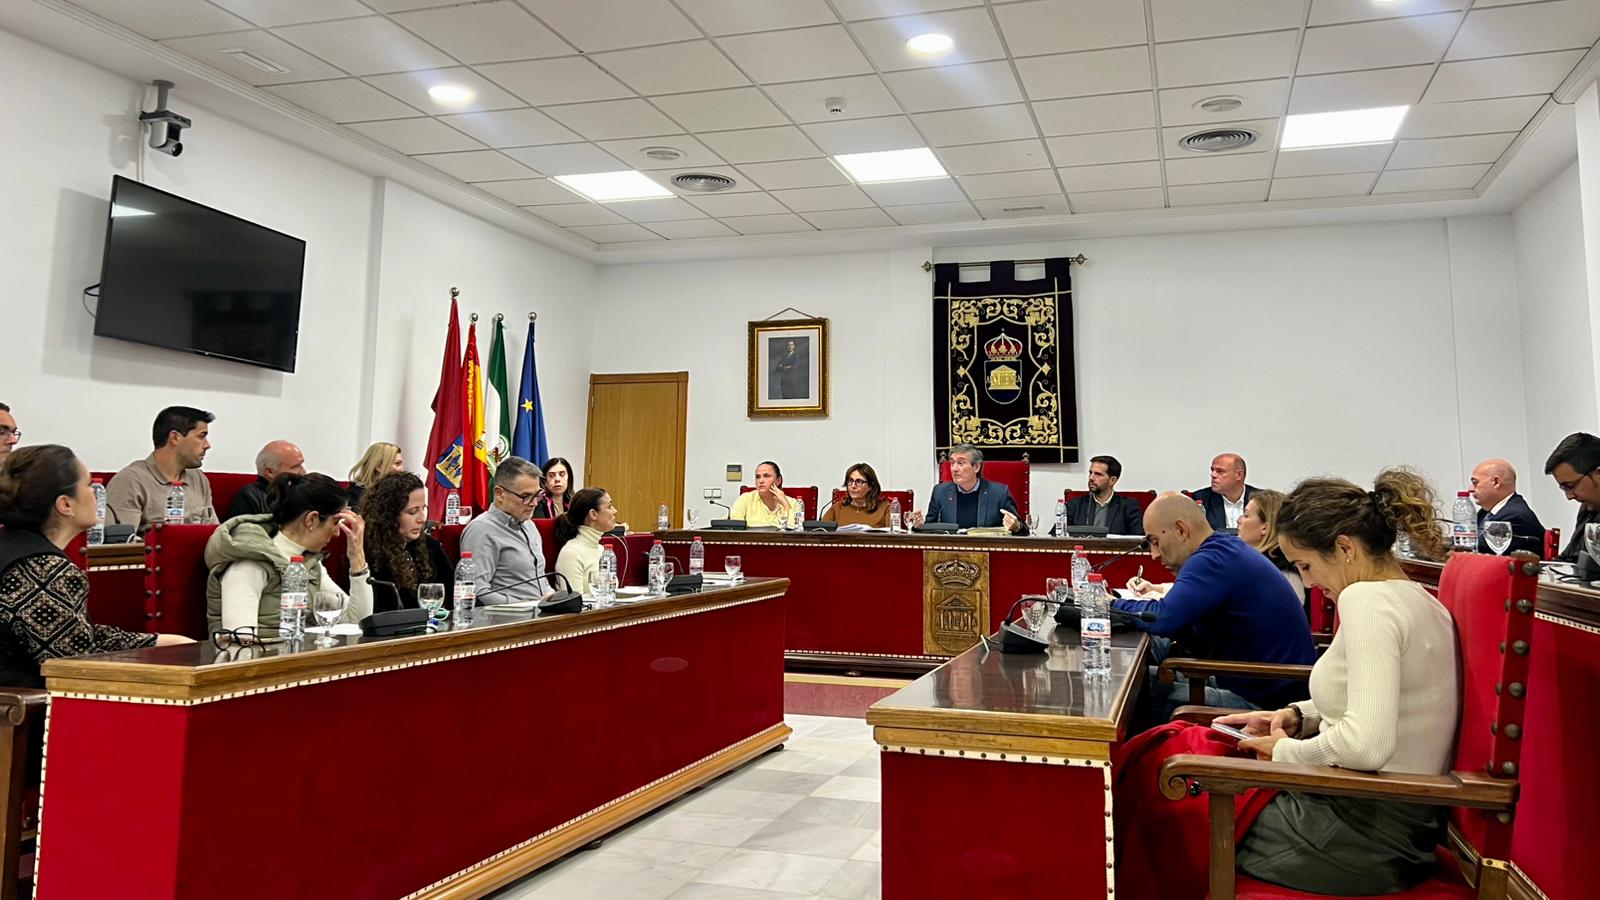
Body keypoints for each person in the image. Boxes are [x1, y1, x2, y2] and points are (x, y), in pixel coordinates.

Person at [1114, 469, 1458, 899]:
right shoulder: (1417, 597)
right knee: (1180, 748)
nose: (1309, 582)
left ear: (1345, 548)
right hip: (1387, 822)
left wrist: (1283, 752)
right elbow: (1387, 698)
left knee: (1161, 788)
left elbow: (1367, 745)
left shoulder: (1365, 600)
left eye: (1306, 566)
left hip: (1355, 833)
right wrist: (1297, 716)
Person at [0, 445, 193, 687]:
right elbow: (74, 663)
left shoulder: (19, 550)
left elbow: (76, 635)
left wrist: (158, 642)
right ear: (65, 505)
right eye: (89, 485)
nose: (96, 494)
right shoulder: (45, 569)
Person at [1117, 493, 1316, 715]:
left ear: (1181, 530)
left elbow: (1162, 618)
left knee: (1126, 686)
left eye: (1155, 542)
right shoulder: (1225, 549)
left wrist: (1111, 605)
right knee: (1142, 665)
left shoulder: (1213, 559)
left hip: (1265, 705)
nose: (1154, 554)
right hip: (1245, 679)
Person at [204, 472, 373, 634]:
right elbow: (240, 639)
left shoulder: (309, 562)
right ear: (311, 519)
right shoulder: (249, 560)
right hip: (260, 653)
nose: (337, 533)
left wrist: (357, 558)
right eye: (335, 522)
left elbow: (357, 621)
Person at [458, 457, 554, 604]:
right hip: (508, 615)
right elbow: (477, 590)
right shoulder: (481, 530)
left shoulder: (530, 526)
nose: (534, 503)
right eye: (526, 496)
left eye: (537, 495)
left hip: (540, 612)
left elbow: (540, 578)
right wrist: (522, 606)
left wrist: (551, 596)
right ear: (499, 494)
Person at [105, 406, 217, 528]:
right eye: (201, 436)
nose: (207, 445)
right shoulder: (131, 480)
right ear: (175, 438)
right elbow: (123, 538)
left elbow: (214, 534)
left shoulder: (199, 479)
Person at [361, 471, 453, 613]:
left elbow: (456, 591)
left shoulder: (431, 546)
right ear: (390, 515)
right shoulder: (370, 553)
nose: (421, 519)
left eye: (423, 509)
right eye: (412, 512)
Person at [910, 444, 1024, 533]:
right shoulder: (940, 492)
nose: (954, 469)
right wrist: (918, 526)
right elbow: (929, 529)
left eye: (960, 463)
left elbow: (1023, 529)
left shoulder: (999, 493)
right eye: (952, 463)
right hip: (950, 551)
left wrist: (1016, 527)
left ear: (976, 467)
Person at [1235, 488, 1305, 600]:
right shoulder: (1248, 563)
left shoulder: (1285, 573)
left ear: (1265, 528)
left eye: (1246, 515)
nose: (1239, 520)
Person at [1543, 432, 1600, 562]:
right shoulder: (1587, 510)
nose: (1569, 496)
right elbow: (1569, 558)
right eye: (1564, 488)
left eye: (1570, 486)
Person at [1468, 458, 1544, 555]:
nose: (1470, 489)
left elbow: (1479, 548)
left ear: (1496, 482)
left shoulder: (1516, 515)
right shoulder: (1485, 512)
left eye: (1475, 483)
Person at [553, 488, 618, 596]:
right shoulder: (571, 553)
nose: (615, 511)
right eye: (609, 506)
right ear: (593, 514)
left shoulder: (602, 550)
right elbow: (574, 602)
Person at [225, 440, 306, 520]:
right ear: (270, 472)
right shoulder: (249, 496)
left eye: (301, 464)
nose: (303, 471)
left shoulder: (302, 490)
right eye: (295, 467)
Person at [1061, 455, 1143, 534]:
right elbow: (1058, 534)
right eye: (1091, 473)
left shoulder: (1128, 506)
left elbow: (1138, 538)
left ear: (1112, 480)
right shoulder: (1074, 505)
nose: (1091, 478)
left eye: (1098, 474)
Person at [1190, 453, 1258, 530]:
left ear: (1239, 475)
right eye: (1212, 470)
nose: (1213, 475)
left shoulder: (1261, 500)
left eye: (1220, 471)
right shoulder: (1200, 499)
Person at [824, 463, 894, 528]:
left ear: (870, 486)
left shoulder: (885, 508)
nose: (853, 486)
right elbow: (821, 531)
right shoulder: (837, 508)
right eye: (850, 481)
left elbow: (894, 535)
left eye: (859, 482)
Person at [729, 461, 798, 527]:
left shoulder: (793, 503)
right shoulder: (745, 499)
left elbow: (794, 530)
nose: (761, 481)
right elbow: (735, 527)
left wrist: (785, 504)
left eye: (766, 476)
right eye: (758, 477)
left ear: (778, 480)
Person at [346, 441, 404, 511]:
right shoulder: (356, 496)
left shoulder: (399, 490)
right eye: (397, 463)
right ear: (379, 466)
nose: (402, 469)